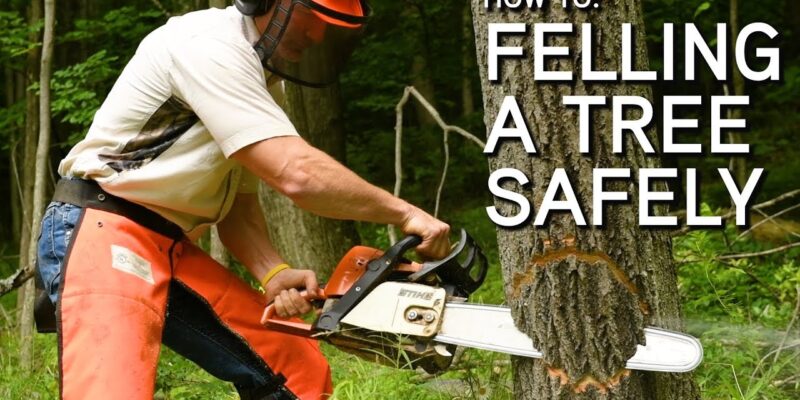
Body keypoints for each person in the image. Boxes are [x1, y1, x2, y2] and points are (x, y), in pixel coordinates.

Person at [35, 1, 450, 399]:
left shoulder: (263, 81)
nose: (315, 34)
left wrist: (272, 272)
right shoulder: (208, 46)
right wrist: (406, 213)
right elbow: (296, 173)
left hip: (169, 246)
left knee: (296, 369)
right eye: (309, 17)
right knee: (113, 389)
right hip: (102, 225)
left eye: (329, 28)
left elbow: (236, 199)